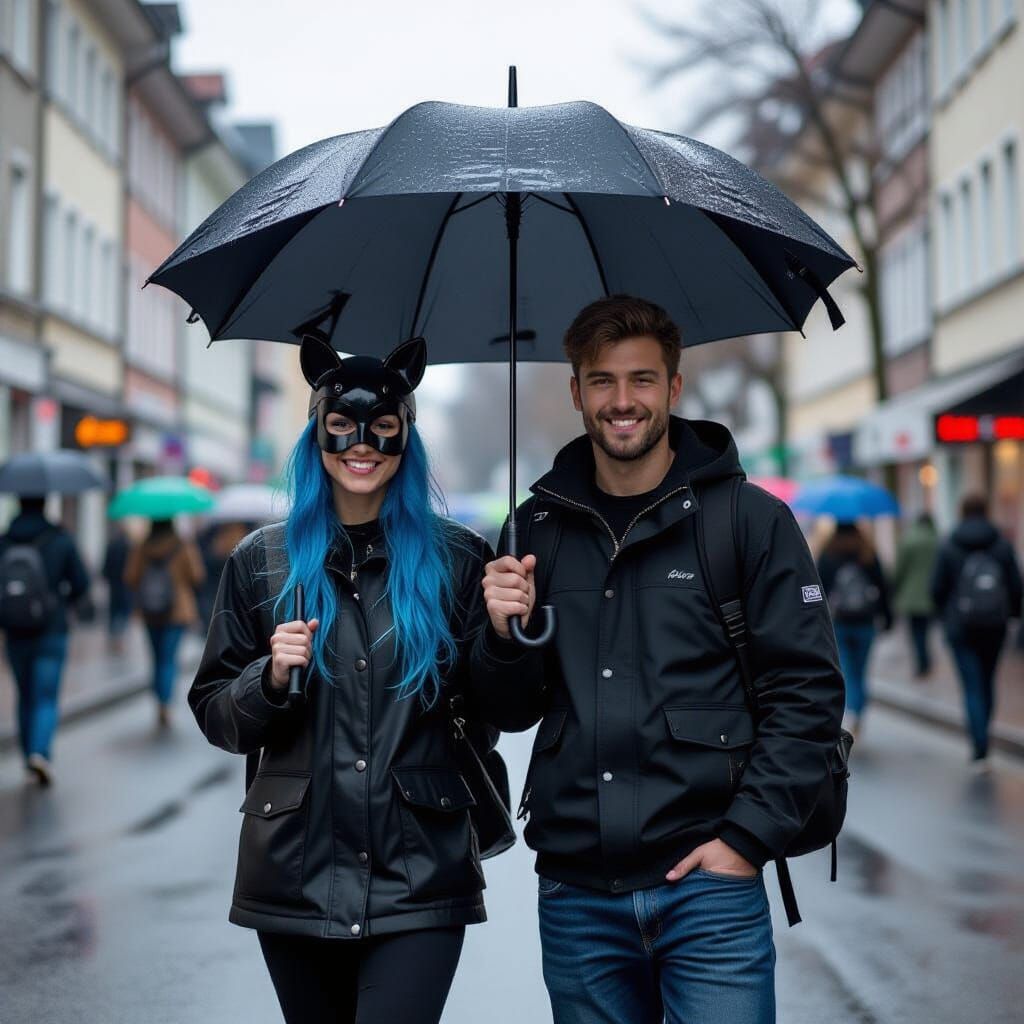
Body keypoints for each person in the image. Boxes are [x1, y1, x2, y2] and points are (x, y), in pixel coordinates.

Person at [469, 296, 844, 1024]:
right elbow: (509, 712)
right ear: (576, 392)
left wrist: (744, 840)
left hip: (710, 888)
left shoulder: (750, 521)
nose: (622, 401)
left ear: (674, 388)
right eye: (602, 381)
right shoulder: (533, 529)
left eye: (641, 380)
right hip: (578, 894)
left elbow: (808, 693)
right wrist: (502, 633)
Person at [189, 336, 499, 1024]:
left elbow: (501, 707)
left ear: (406, 438)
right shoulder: (262, 563)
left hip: (420, 869)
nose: (362, 447)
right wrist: (267, 680)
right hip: (296, 871)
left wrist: (507, 635)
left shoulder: (460, 561)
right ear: (316, 435)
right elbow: (215, 712)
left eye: (383, 431)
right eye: (343, 429)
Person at [0, 495, 90, 785]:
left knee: (24, 694)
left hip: (15, 631)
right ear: (44, 504)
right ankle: (40, 752)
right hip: (51, 630)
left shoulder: (4, 541)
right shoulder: (60, 538)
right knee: (45, 696)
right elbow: (81, 584)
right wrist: (63, 601)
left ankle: (28, 755)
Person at [931, 494, 1023, 767]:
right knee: (987, 680)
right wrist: (1012, 615)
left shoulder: (949, 544)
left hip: (960, 626)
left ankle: (979, 745)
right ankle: (985, 734)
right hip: (995, 625)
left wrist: (944, 615)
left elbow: (937, 587)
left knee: (971, 685)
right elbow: (1016, 585)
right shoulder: (1002, 544)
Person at [124, 518, 205, 728]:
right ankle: (166, 702)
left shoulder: (142, 547)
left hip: (150, 610)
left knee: (157, 656)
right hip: (178, 611)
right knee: (168, 658)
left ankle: (160, 698)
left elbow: (130, 577)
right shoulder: (183, 544)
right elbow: (197, 575)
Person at [817, 521, 892, 739]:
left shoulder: (828, 553)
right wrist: (887, 617)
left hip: (839, 622)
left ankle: (851, 712)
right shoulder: (867, 552)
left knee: (847, 670)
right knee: (861, 671)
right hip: (865, 622)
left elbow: (818, 588)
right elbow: (883, 586)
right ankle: (858, 712)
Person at [892, 512, 939, 678]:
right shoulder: (938, 540)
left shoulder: (908, 541)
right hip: (932, 595)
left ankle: (922, 664)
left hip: (911, 596)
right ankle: (926, 661)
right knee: (926, 631)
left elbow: (899, 570)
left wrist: (894, 589)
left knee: (916, 633)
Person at [101, 522, 134, 655]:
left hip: (114, 584)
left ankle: (114, 638)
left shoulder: (111, 545)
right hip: (125, 584)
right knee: (124, 611)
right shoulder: (130, 547)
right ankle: (119, 639)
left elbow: (105, 567)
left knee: (114, 611)